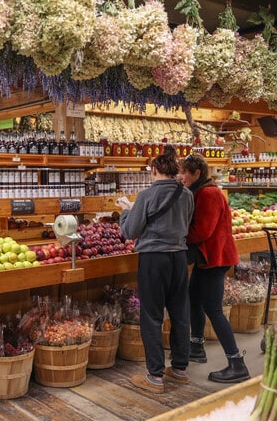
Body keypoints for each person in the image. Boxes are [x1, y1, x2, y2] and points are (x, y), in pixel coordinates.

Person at [117, 145, 194, 394]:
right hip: (179, 258)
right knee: (180, 312)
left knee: (151, 316)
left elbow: (130, 231)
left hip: (153, 260)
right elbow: (186, 224)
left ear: (153, 170)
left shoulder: (147, 196)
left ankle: (155, 377)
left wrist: (125, 211)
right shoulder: (187, 195)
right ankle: (180, 369)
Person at [180, 153, 250, 383]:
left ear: (197, 173)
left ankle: (236, 363)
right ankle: (197, 347)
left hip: (216, 258)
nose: (181, 177)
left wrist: (178, 237)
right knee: (194, 297)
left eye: (184, 173)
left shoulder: (209, 194)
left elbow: (203, 231)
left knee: (214, 309)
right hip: (207, 258)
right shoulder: (201, 191)